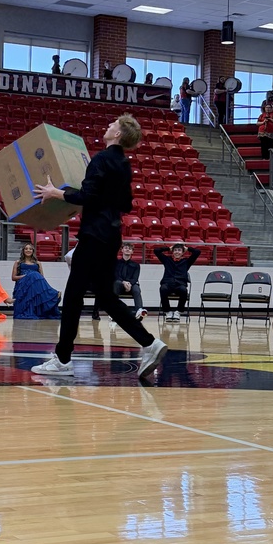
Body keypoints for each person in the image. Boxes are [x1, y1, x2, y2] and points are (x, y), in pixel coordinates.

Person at [30, 114, 167, 379]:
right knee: (106, 297)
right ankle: (150, 343)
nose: (108, 126)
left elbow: (87, 196)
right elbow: (125, 204)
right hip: (111, 236)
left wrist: (55, 193)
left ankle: (62, 360)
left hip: (93, 236)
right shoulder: (123, 165)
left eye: (113, 125)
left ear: (118, 135)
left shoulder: (102, 159)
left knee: (72, 298)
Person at [92, 241, 147, 321]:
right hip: (119, 285)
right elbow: (115, 276)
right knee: (116, 283)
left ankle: (139, 311)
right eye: (126, 248)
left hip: (130, 285)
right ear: (122, 250)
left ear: (132, 252)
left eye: (130, 249)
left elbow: (135, 278)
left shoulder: (136, 265)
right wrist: (123, 282)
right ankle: (114, 311)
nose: (128, 250)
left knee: (136, 289)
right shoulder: (116, 263)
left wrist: (129, 283)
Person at [11, 243, 61, 320]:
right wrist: (27, 276)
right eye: (26, 249)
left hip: (34, 286)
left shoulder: (38, 263)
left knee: (35, 275)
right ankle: (53, 293)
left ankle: (52, 294)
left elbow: (42, 278)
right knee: (34, 274)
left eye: (30, 249)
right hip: (22, 286)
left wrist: (32, 276)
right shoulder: (18, 262)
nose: (28, 250)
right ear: (23, 251)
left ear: (33, 251)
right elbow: (13, 277)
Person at [155, 242, 200, 321]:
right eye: (175, 250)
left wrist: (188, 248)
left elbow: (197, 252)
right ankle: (167, 311)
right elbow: (156, 251)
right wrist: (168, 248)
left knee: (183, 290)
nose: (177, 252)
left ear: (183, 252)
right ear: (172, 251)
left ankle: (178, 312)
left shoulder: (187, 262)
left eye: (179, 250)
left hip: (180, 284)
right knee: (163, 289)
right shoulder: (167, 260)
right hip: (167, 283)